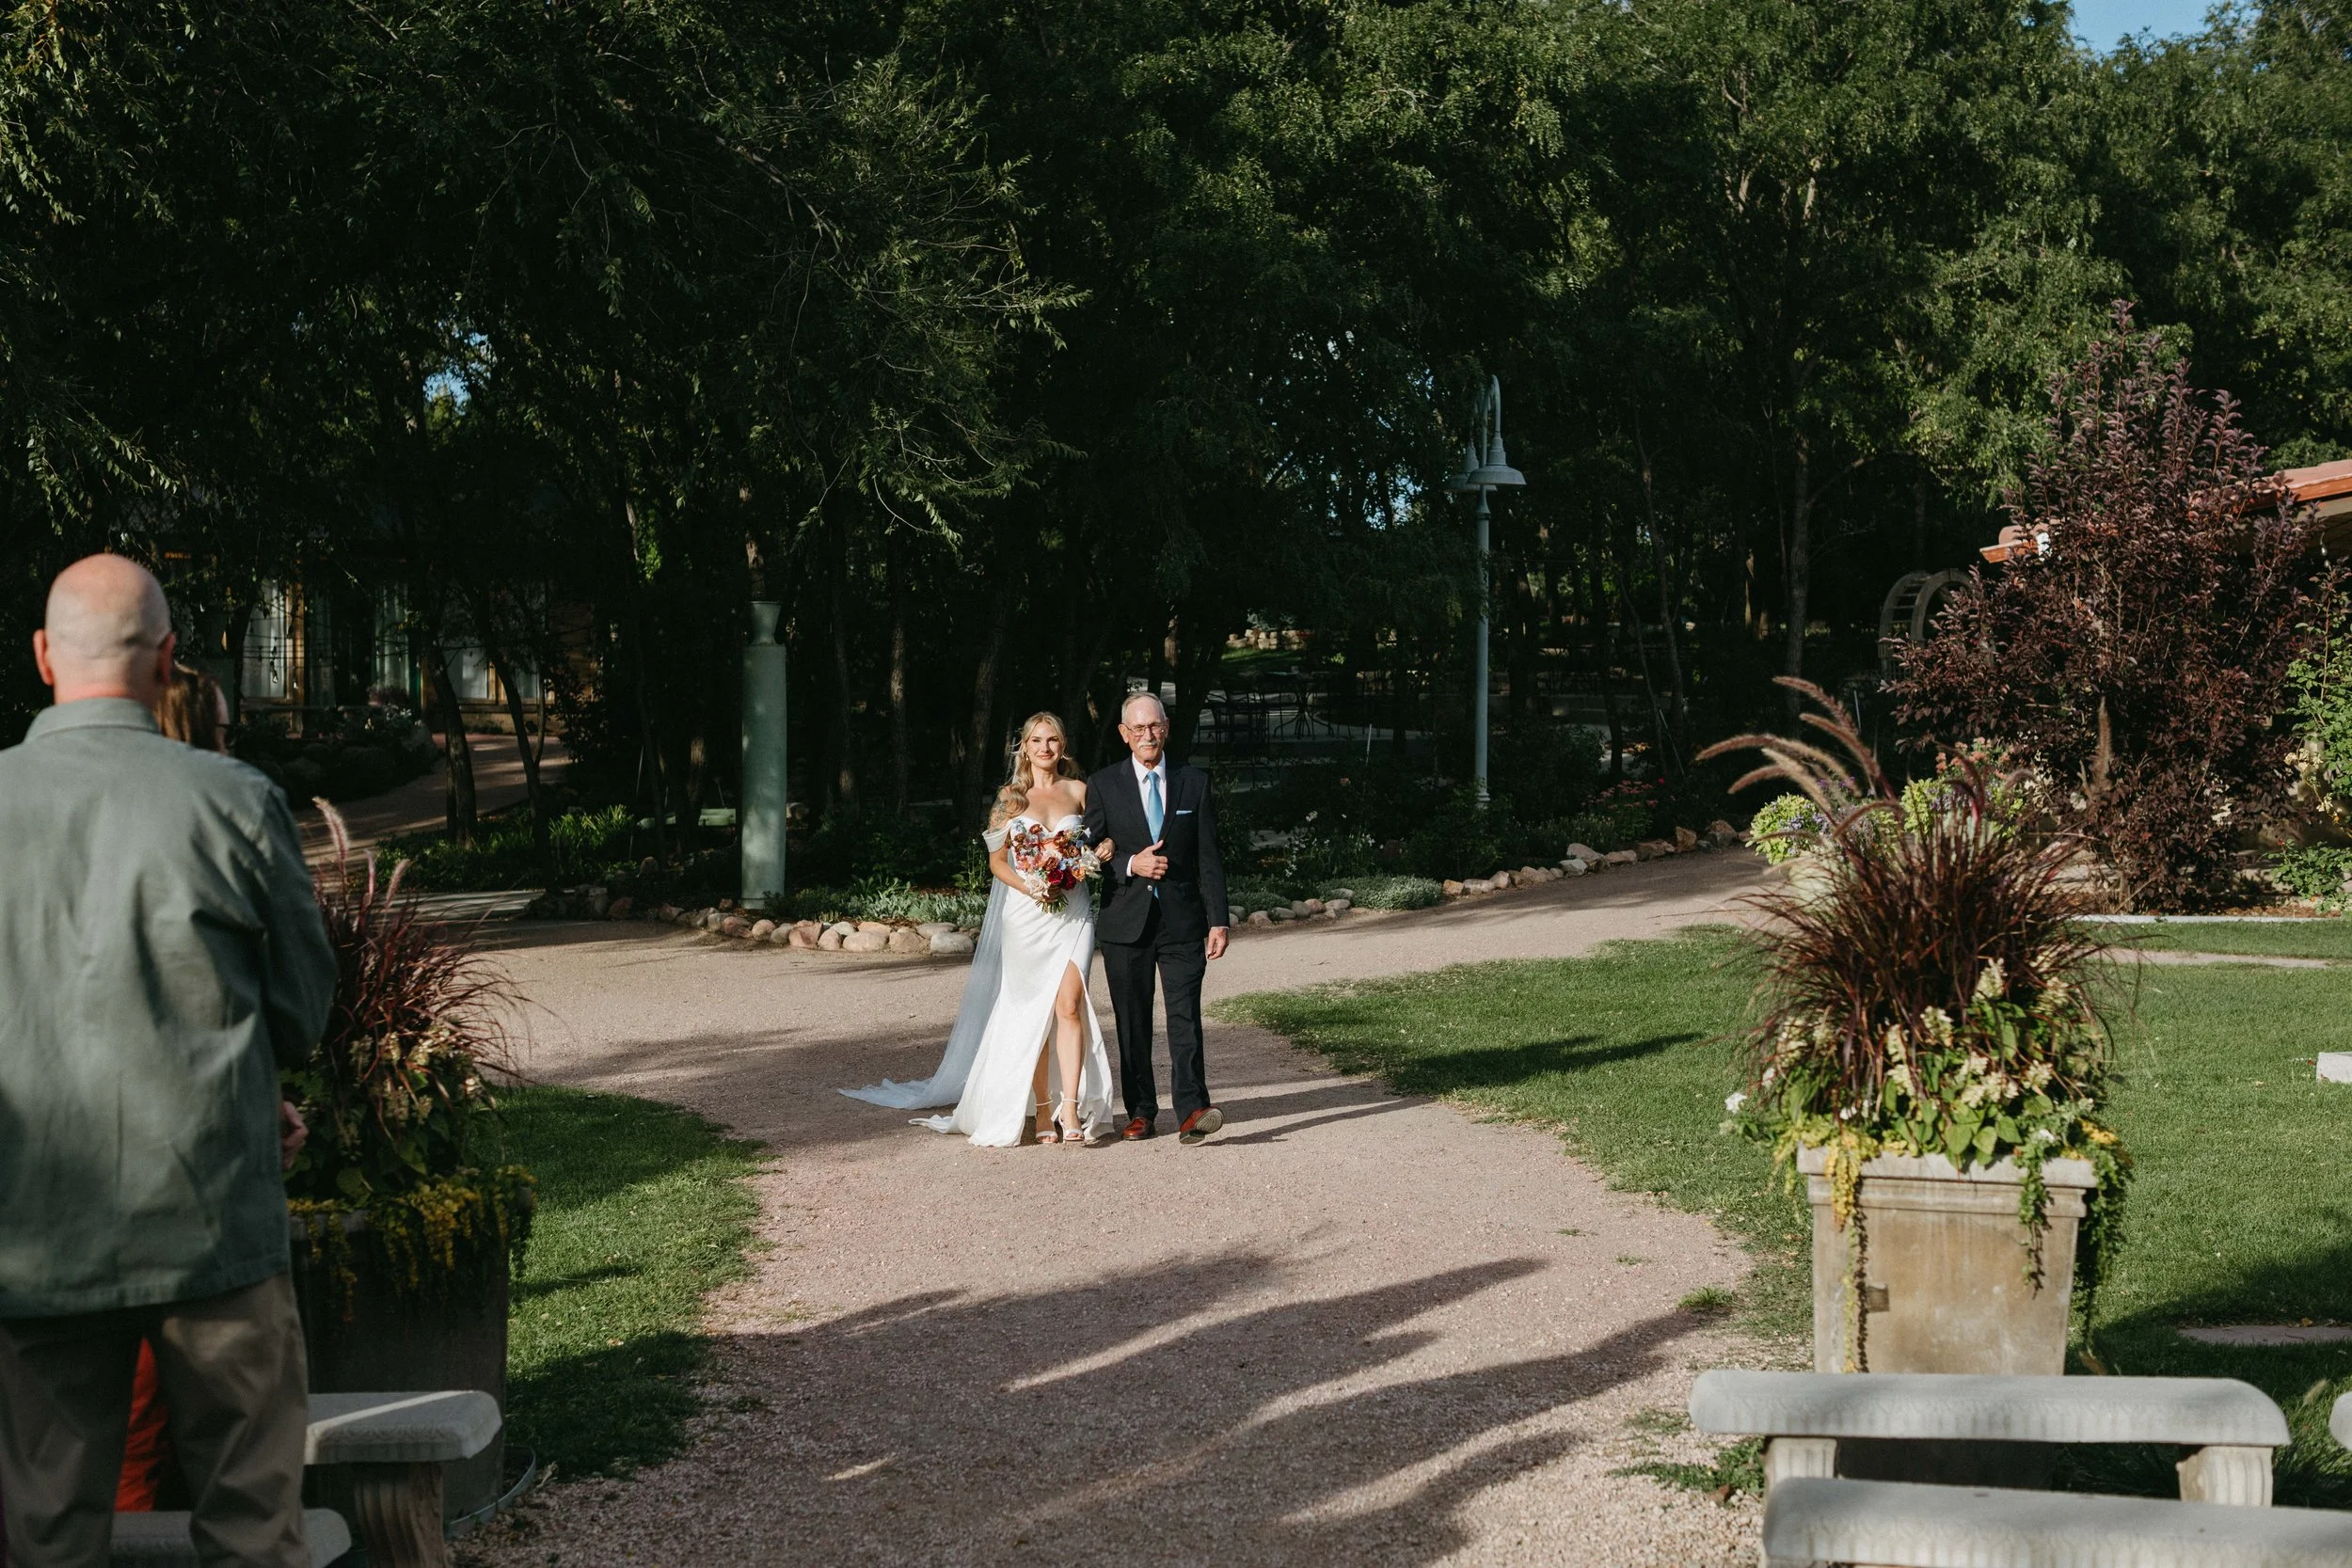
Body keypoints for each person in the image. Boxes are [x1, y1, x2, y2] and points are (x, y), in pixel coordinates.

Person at [0, 554, 337, 1568]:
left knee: (47, 1532)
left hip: (33, 1225)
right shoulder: (233, 797)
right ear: (169, 658)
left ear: (42, 656)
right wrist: (248, 1079)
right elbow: (303, 999)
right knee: (250, 1526)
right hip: (211, 1218)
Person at [840, 712, 1120, 1147]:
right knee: (1034, 1011)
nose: (1045, 748)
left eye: (1052, 740)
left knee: (1069, 1003)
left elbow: (1107, 836)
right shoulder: (1010, 799)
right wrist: (1031, 885)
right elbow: (996, 862)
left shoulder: (1080, 792)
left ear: (1063, 747)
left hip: (1072, 914)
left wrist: (1102, 848)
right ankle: (1042, 1109)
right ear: (1024, 748)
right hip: (1026, 915)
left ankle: (1070, 1108)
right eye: (1036, 741)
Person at [1085, 691, 1230, 1144]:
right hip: (1125, 921)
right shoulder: (1104, 784)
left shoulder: (1194, 782)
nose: (1148, 735)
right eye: (1138, 729)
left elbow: (1210, 857)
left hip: (1183, 921)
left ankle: (1192, 1111)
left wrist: (1219, 919)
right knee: (1132, 1021)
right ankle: (1141, 1111)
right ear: (1124, 735)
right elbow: (1088, 852)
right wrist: (1130, 864)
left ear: (1165, 728)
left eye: (1155, 726)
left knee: (1185, 1017)